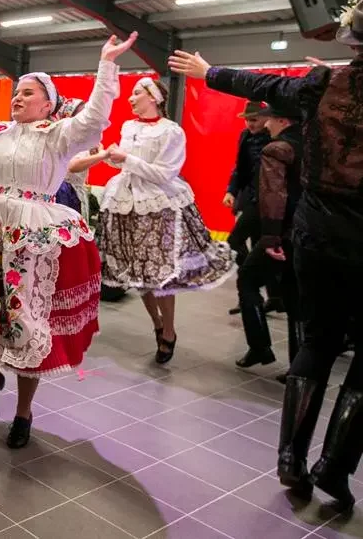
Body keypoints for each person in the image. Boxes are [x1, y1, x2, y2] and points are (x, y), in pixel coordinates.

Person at [168, 29, 363, 510]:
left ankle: (290, 459)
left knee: (317, 341)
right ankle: (333, 470)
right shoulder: (321, 83)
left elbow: (264, 85)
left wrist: (207, 71)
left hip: (315, 234)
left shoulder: (320, 85)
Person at [0, 36, 136, 448]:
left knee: (25, 319)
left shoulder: (58, 134)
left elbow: (94, 119)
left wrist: (107, 65)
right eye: (16, 92)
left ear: (47, 104)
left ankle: (23, 413)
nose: (18, 98)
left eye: (28, 93)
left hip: (33, 237)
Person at [96, 77, 235, 364]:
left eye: (137, 93)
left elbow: (164, 173)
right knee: (139, 276)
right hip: (126, 204)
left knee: (160, 277)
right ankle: (157, 325)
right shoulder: (128, 126)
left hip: (157, 206)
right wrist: (110, 156)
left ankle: (169, 330)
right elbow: (124, 162)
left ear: (154, 97)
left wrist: (127, 159)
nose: (131, 98)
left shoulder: (172, 132)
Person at [229, 103, 303, 376]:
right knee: (296, 300)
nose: (265, 124)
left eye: (269, 120)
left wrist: (271, 238)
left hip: (282, 231)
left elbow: (274, 196)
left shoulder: (277, 148)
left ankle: (260, 346)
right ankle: (298, 368)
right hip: (305, 231)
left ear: (281, 120)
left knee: (247, 280)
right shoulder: (315, 141)